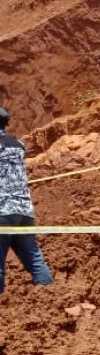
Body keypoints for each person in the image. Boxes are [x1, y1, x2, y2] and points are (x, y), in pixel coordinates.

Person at [0, 106, 53, 293]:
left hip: (2, 211)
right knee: (34, 258)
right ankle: (49, 297)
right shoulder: (19, 145)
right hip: (24, 210)